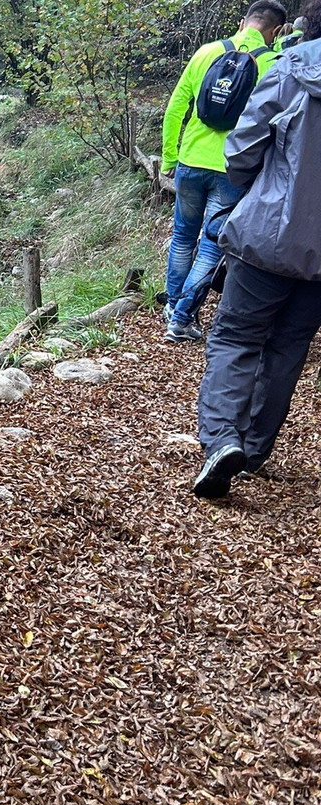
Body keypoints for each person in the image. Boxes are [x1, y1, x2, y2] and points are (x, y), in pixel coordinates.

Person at [193, 0, 321, 499]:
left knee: (236, 337)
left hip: (265, 237)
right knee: (288, 348)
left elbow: (243, 148)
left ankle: (222, 440)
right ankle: (253, 447)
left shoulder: (290, 68)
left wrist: (257, 188)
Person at [160, 1, 286, 343]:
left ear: (243, 22)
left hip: (190, 160)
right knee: (211, 245)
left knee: (183, 236)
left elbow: (175, 108)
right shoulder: (273, 64)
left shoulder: (207, 52)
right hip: (233, 169)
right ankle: (182, 318)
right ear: (276, 31)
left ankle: (173, 306)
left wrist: (170, 156)